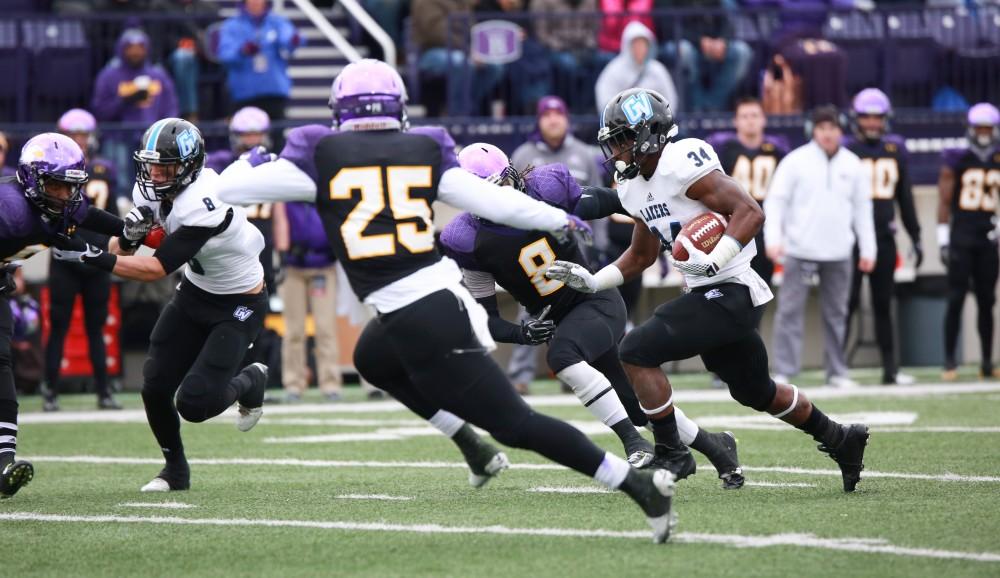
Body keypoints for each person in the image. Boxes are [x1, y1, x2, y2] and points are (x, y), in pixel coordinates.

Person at [217, 59, 678, 542]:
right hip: (421, 300)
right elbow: (491, 201)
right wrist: (553, 219)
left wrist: (250, 160)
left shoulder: (321, 154)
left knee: (515, 424)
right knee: (372, 360)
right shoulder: (422, 148)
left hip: (427, 311)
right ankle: (471, 446)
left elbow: (229, 189)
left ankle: (641, 487)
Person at [545, 88, 870, 492]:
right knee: (756, 391)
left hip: (732, 287)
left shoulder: (682, 161)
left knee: (635, 351)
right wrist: (596, 280)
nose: (617, 149)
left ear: (650, 133)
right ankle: (841, 438)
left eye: (624, 138)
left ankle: (672, 452)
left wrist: (716, 259)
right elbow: (641, 255)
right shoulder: (631, 187)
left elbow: (750, 211)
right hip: (705, 292)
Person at [442, 143, 745, 488]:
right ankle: (717, 447)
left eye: (503, 184)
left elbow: (619, 202)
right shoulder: (465, 239)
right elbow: (486, 316)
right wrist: (522, 334)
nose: (501, 197)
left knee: (562, 356)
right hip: (561, 321)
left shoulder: (547, 189)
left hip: (594, 297)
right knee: (636, 405)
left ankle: (633, 444)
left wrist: (667, 223)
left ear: (514, 175)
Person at [52, 118, 270, 493]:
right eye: (151, 164)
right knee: (154, 385)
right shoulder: (151, 191)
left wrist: (91, 258)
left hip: (240, 301)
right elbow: (121, 251)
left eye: (165, 166)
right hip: (196, 291)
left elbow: (155, 268)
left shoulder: (203, 201)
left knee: (195, 404)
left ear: (189, 165)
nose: (155, 174)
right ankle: (175, 470)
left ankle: (252, 379)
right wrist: (130, 233)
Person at [0, 133, 134, 498]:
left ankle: (3, 462)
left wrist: (130, 231)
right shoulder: (9, 209)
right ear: (31, 179)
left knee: (2, 362)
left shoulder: (57, 205)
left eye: (68, 187)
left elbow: (86, 216)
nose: (63, 195)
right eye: (55, 186)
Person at [764, 105, 877, 388]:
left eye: (833, 128)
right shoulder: (795, 161)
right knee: (789, 312)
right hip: (799, 250)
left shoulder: (853, 165)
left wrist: (868, 248)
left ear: (841, 130)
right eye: (822, 128)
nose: (828, 134)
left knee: (837, 314)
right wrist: (773, 238)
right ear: (813, 130)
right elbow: (776, 201)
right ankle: (784, 371)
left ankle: (837, 371)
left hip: (839, 252)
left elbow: (863, 209)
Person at [506, 96, 604, 394]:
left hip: (577, 247)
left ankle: (577, 371)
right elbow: (508, 202)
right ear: (538, 120)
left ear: (567, 119)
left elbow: (597, 201)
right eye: (546, 114)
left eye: (558, 114)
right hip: (537, 249)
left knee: (580, 311)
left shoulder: (584, 154)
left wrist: (598, 244)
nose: (552, 119)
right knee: (534, 307)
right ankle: (520, 375)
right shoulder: (523, 154)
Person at [41, 109, 123, 412]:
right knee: (59, 326)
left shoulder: (101, 169)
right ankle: (50, 390)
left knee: (95, 328)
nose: (79, 140)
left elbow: (110, 213)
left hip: (94, 257)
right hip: (66, 256)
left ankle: (103, 391)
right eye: (74, 134)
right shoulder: (55, 168)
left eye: (83, 135)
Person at [845, 88, 922, 386]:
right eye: (867, 117)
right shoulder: (847, 149)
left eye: (877, 118)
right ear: (857, 119)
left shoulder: (895, 149)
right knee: (846, 304)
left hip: (884, 238)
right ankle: (837, 368)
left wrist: (915, 234)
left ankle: (890, 368)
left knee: (882, 303)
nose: (873, 123)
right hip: (850, 240)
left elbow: (905, 196)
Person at [938, 103, 1000, 381]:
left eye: (988, 128)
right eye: (980, 128)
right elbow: (944, 200)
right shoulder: (958, 158)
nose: (984, 133)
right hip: (962, 236)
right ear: (971, 129)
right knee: (956, 299)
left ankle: (987, 361)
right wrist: (942, 239)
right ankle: (950, 361)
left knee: (987, 301)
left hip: (988, 238)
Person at [707, 97, 787, 287]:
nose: (750, 120)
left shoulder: (777, 150)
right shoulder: (723, 149)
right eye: (744, 116)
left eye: (754, 115)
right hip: (734, 226)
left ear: (763, 119)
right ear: (735, 121)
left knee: (761, 288)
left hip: (766, 228)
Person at [91, 27, 180, 194]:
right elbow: (100, 111)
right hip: (118, 136)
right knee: (120, 174)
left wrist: (164, 134)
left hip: (153, 141)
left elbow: (171, 108)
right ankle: (121, 201)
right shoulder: (108, 76)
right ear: (121, 49)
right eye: (130, 48)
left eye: (140, 47)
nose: (135, 52)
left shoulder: (158, 75)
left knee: (154, 180)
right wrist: (124, 101)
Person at [273, 201, 342, 402]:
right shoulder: (286, 194)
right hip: (293, 267)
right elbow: (279, 221)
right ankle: (293, 384)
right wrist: (282, 254)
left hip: (324, 267)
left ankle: (330, 384)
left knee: (325, 328)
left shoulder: (323, 189)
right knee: (294, 330)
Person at [411, 0, 503, 116]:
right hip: (431, 51)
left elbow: (472, 29)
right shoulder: (425, 2)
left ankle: (469, 105)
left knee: (495, 66)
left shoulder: (462, 3)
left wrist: (477, 51)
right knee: (461, 62)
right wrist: (468, 51)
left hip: (463, 50)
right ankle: (457, 114)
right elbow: (436, 33)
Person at [657, 0, 753, 112]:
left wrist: (722, 41)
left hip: (712, 46)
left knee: (742, 52)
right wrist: (699, 41)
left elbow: (726, 22)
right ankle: (698, 108)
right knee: (685, 50)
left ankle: (712, 106)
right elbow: (668, 28)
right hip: (675, 45)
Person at [218, 0, 302, 122]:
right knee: (246, 137)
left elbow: (289, 38)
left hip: (274, 91)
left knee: (277, 136)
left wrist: (294, 40)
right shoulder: (231, 26)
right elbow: (225, 55)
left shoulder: (278, 22)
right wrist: (242, 51)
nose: (255, 2)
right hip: (244, 93)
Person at [595, 21, 678, 116]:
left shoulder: (657, 70)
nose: (640, 48)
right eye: (636, 44)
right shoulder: (614, 70)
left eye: (643, 44)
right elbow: (605, 103)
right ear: (627, 45)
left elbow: (670, 101)